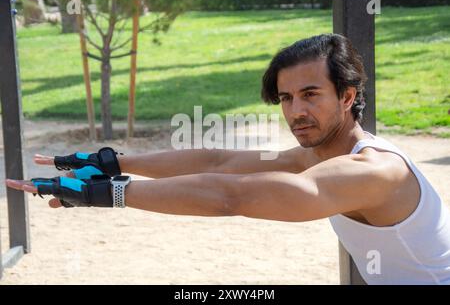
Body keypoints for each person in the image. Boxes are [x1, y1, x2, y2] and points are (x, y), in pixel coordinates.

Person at [6, 34, 450, 284]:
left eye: (311, 95)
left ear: (348, 96)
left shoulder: (376, 171)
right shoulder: (312, 156)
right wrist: (115, 162)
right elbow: (221, 162)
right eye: (286, 98)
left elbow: (229, 196)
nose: (296, 111)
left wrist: (105, 195)